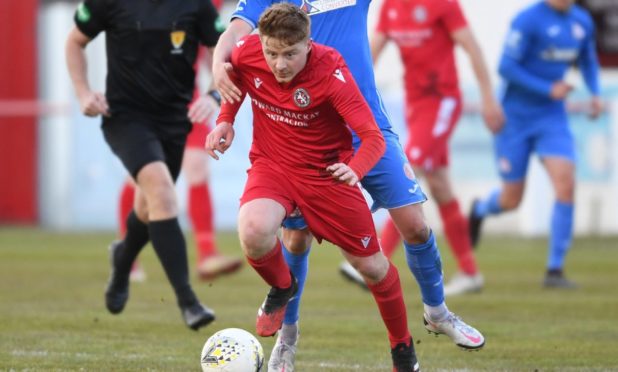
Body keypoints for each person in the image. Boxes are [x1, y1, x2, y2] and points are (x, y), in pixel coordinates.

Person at [213, 0, 485, 370]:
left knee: (416, 226)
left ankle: (437, 312)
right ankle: (287, 339)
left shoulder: (334, 54)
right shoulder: (269, 12)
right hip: (306, 136)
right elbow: (236, 39)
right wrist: (218, 70)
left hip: (365, 126)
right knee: (294, 239)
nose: (279, 60)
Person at [65, 0, 224, 330]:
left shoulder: (197, 6)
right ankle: (188, 302)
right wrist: (82, 93)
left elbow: (220, 48)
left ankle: (122, 260)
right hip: (126, 119)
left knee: (149, 207)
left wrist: (213, 94)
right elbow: (74, 42)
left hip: (176, 121)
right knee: (163, 193)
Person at [363, 0, 504, 296]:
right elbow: (369, 54)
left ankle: (378, 256)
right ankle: (469, 271)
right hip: (415, 104)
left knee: (407, 170)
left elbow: (472, 47)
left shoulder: (442, 4)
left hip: (442, 100)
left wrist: (488, 98)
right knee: (439, 185)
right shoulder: (390, 7)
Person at [468, 0, 602, 289]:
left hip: (552, 118)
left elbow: (588, 60)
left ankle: (555, 270)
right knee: (511, 199)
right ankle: (480, 210)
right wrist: (548, 88)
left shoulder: (582, 21)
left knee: (565, 183)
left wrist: (595, 93)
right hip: (515, 118)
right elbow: (506, 66)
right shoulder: (527, 19)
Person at [119, 49, 243, 283]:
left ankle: (207, 254)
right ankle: (127, 255)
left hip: (189, 105)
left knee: (198, 168)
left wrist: (214, 93)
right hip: (145, 106)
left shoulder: (201, 12)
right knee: (139, 179)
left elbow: (214, 56)